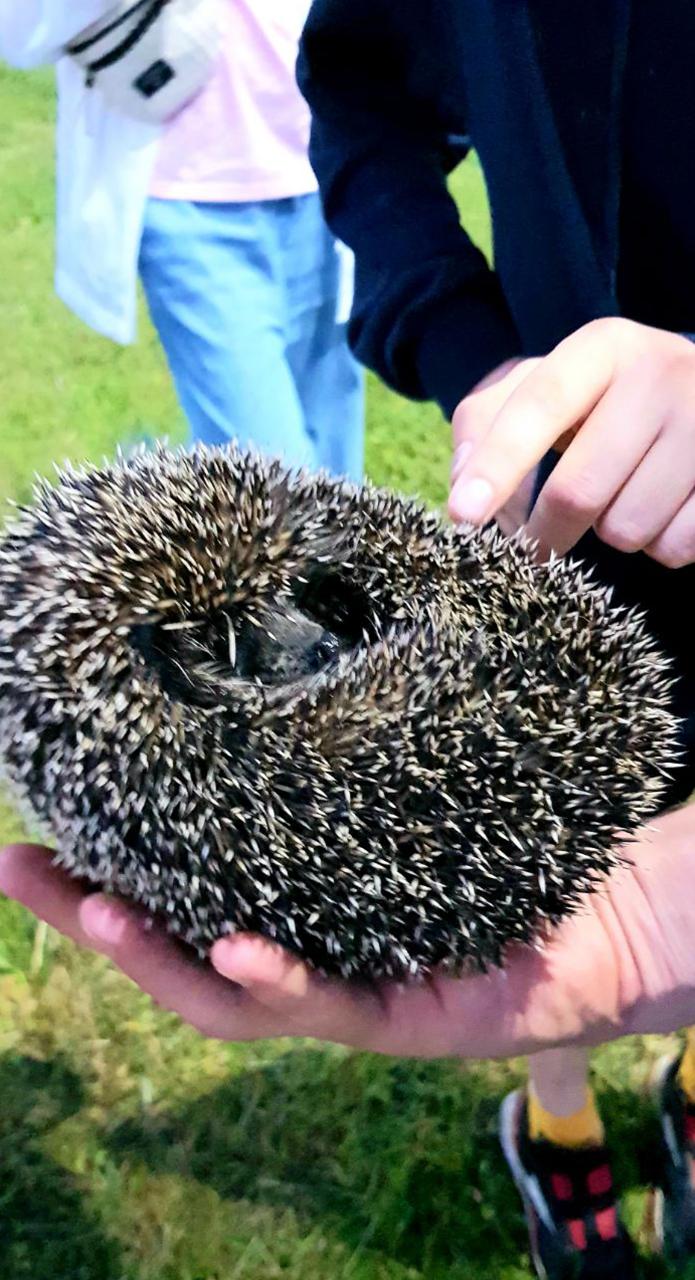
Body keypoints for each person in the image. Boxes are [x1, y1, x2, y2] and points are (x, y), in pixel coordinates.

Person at [3, 3, 695, 1276]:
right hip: (555, 509)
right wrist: (471, 353)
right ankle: (557, 1114)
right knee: (552, 851)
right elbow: (360, 86)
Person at [0, 1, 364, 479]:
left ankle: (161, 494)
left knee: (339, 477)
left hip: (329, 180)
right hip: (192, 209)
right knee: (278, 489)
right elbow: (19, 34)